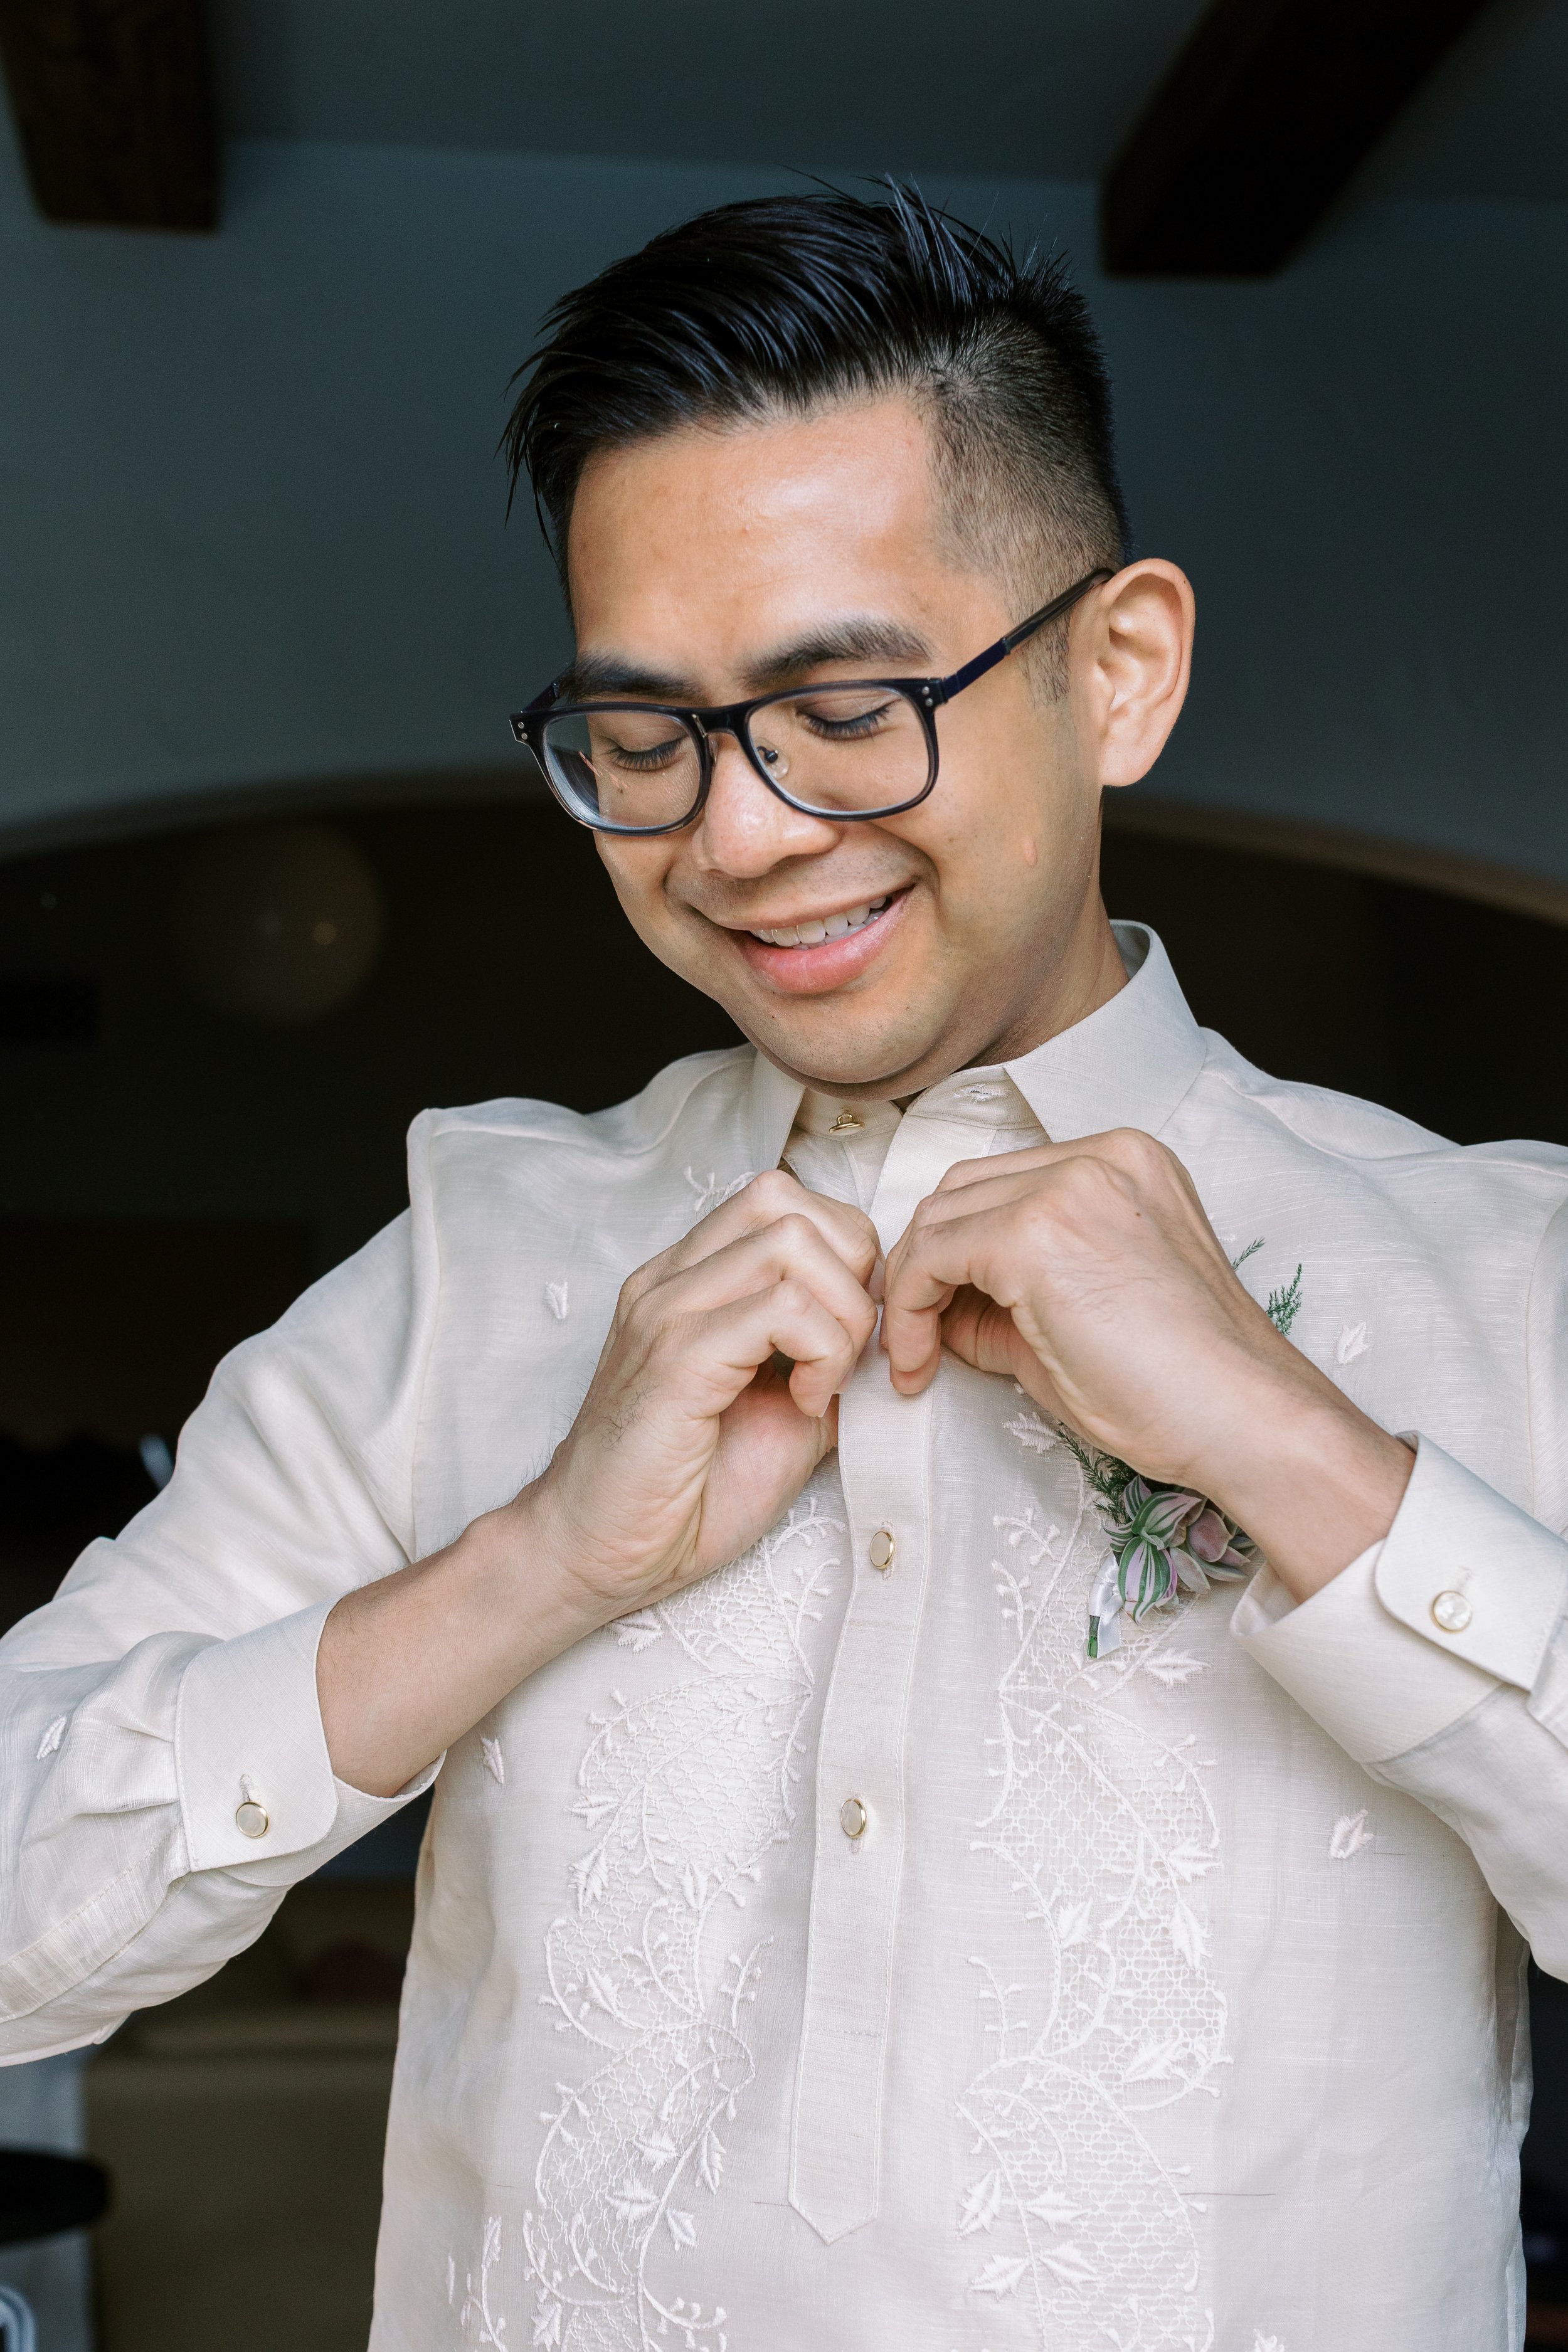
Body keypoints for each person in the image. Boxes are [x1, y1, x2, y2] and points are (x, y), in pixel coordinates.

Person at [1, 186, 1564, 2352]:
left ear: (1118, 674)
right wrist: (537, 1560)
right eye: (641, 744)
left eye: (846, 707)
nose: (735, 837)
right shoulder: (476, 1258)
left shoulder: (1511, 1272)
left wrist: (1299, 1456)